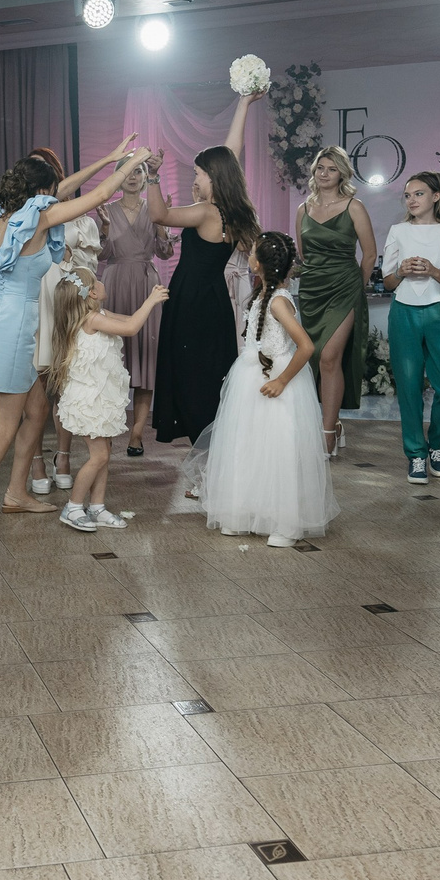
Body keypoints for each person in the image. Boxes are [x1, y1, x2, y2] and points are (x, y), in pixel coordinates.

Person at [0, 138, 143, 535]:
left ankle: (17, 493)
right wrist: (131, 162)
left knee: (36, 412)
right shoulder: (38, 217)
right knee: (4, 428)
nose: (55, 196)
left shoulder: (2, 215)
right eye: (51, 191)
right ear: (40, 192)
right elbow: (99, 195)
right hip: (17, 327)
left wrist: (107, 157)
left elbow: (66, 189)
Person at [190, 232, 338, 546]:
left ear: (259, 264)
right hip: (251, 377)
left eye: (252, 252)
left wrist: (282, 380)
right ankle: (244, 512)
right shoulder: (262, 295)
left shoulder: (279, 302)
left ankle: (284, 522)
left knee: (277, 448)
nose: (248, 256)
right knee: (248, 445)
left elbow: (306, 346)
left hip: (276, 380)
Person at [148, 94, 262, 448]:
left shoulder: (205, 212)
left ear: (213, 177)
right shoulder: (233, 210)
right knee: (212, 373)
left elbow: (159, 215)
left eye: (199, 173)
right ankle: (216, 442)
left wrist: (152, 176)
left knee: (190, 374)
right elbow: (231, 154)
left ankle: (205, 446)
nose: (195, 177)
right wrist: (243, 104)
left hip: (191, 301)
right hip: (215, 302)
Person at [45, 265, 169, 533]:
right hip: (89, 401)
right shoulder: (91, 319)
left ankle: (97, 507)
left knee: (104, 453)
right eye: (97, 280)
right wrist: (151, 300)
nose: (102, 282)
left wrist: (149, 308)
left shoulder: (99, 313)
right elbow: (132, 328)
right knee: (99, 456)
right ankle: (73, 507)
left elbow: (130, 320)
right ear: (91, 293)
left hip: (100, 398)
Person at [382, 173, 440, 484]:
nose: (412, 200)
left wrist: (433, 270)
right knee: (408, 388)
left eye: (419, 194)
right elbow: (387, 282)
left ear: (436, 197)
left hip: (438, 311)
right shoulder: (398, 231)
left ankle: (436, 444)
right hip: (403, 312)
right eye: (408, 195)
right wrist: (401, 272)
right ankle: (416, 454)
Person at [296, 146, 377, 460]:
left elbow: (369, 255)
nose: (324, 174)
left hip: (345, 288)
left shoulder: (354, 207)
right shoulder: (303, 209)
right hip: (312, 290)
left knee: (330, 356)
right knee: (315, 358)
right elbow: (303, 255)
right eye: (320, 168)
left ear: (342, 173)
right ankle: (335, 423)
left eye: (331, 169)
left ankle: (327, 431)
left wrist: (356, 288)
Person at [97, 158, 174, 455]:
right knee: (113, 359)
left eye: (138, 171)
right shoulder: (107, 209)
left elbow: (165, 253)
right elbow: (100, 254)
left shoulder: (154, 208)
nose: (132, 177)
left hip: (146, 286)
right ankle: (107, 429)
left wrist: (163, 225)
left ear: (145, 177)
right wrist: (104, 227)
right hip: (115, 284)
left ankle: (137, 434)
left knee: (146, 357)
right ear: (118, 176)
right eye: (127, 172)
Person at [31, 215, 102, 496]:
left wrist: (71, 257)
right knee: (36, 388)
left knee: (65, 387)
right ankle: (36, 461)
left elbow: (90, 270)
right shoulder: (29, 216)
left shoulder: (82, 221)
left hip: (65, 303)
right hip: (35, 299)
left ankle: (63, 458)